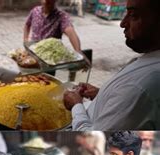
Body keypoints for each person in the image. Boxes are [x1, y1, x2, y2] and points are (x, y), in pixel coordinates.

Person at [64, 0, 160, 130]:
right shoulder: (150, 60)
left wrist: (76, 105)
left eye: (134, 15)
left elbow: (96, 140)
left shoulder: (139, 87)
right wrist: (104, 94)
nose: (122, 23)